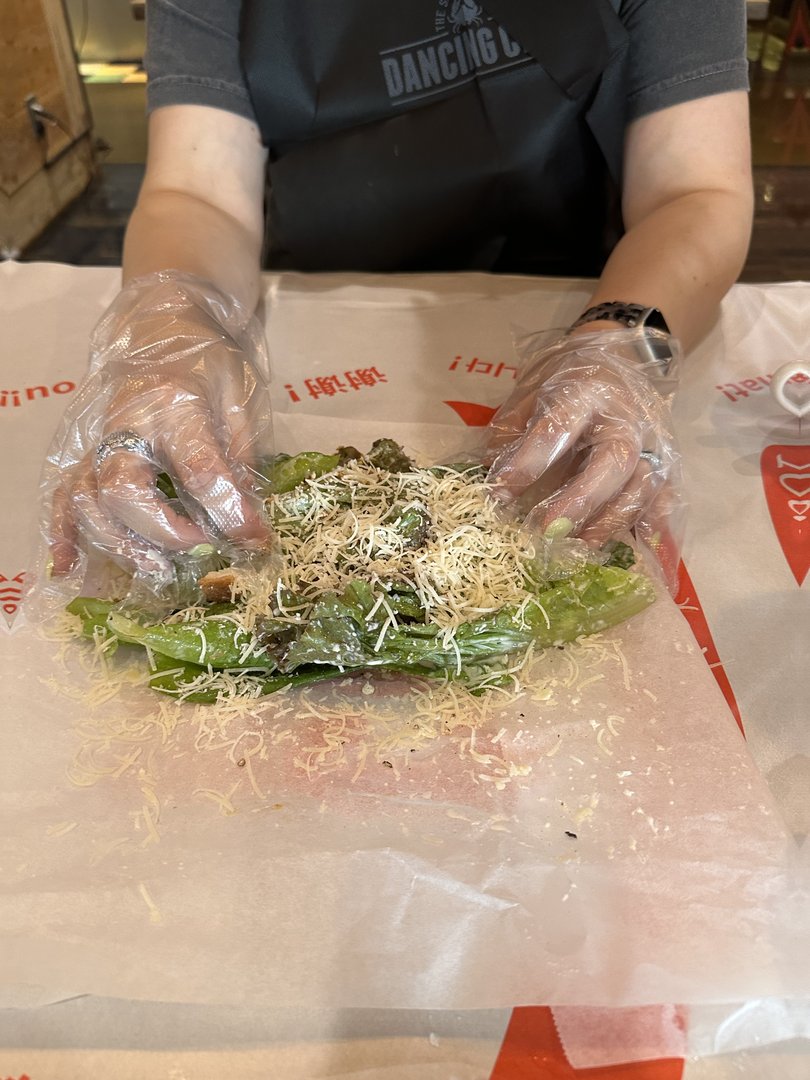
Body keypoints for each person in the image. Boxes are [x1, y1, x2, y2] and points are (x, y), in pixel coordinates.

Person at [47, 0, 753, 586]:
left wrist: (621, 347)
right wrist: (173, 332)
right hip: (300, 328)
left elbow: (697, 193)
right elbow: (196, 192)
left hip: (583, 310)